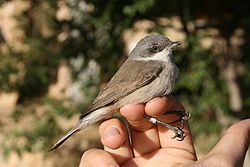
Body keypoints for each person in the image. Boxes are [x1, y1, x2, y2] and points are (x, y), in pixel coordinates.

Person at [79, 96, 250, 167]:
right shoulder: (153, 67)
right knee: (143, 113)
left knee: (147, 112)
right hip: (126, 105)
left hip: (145, 115)